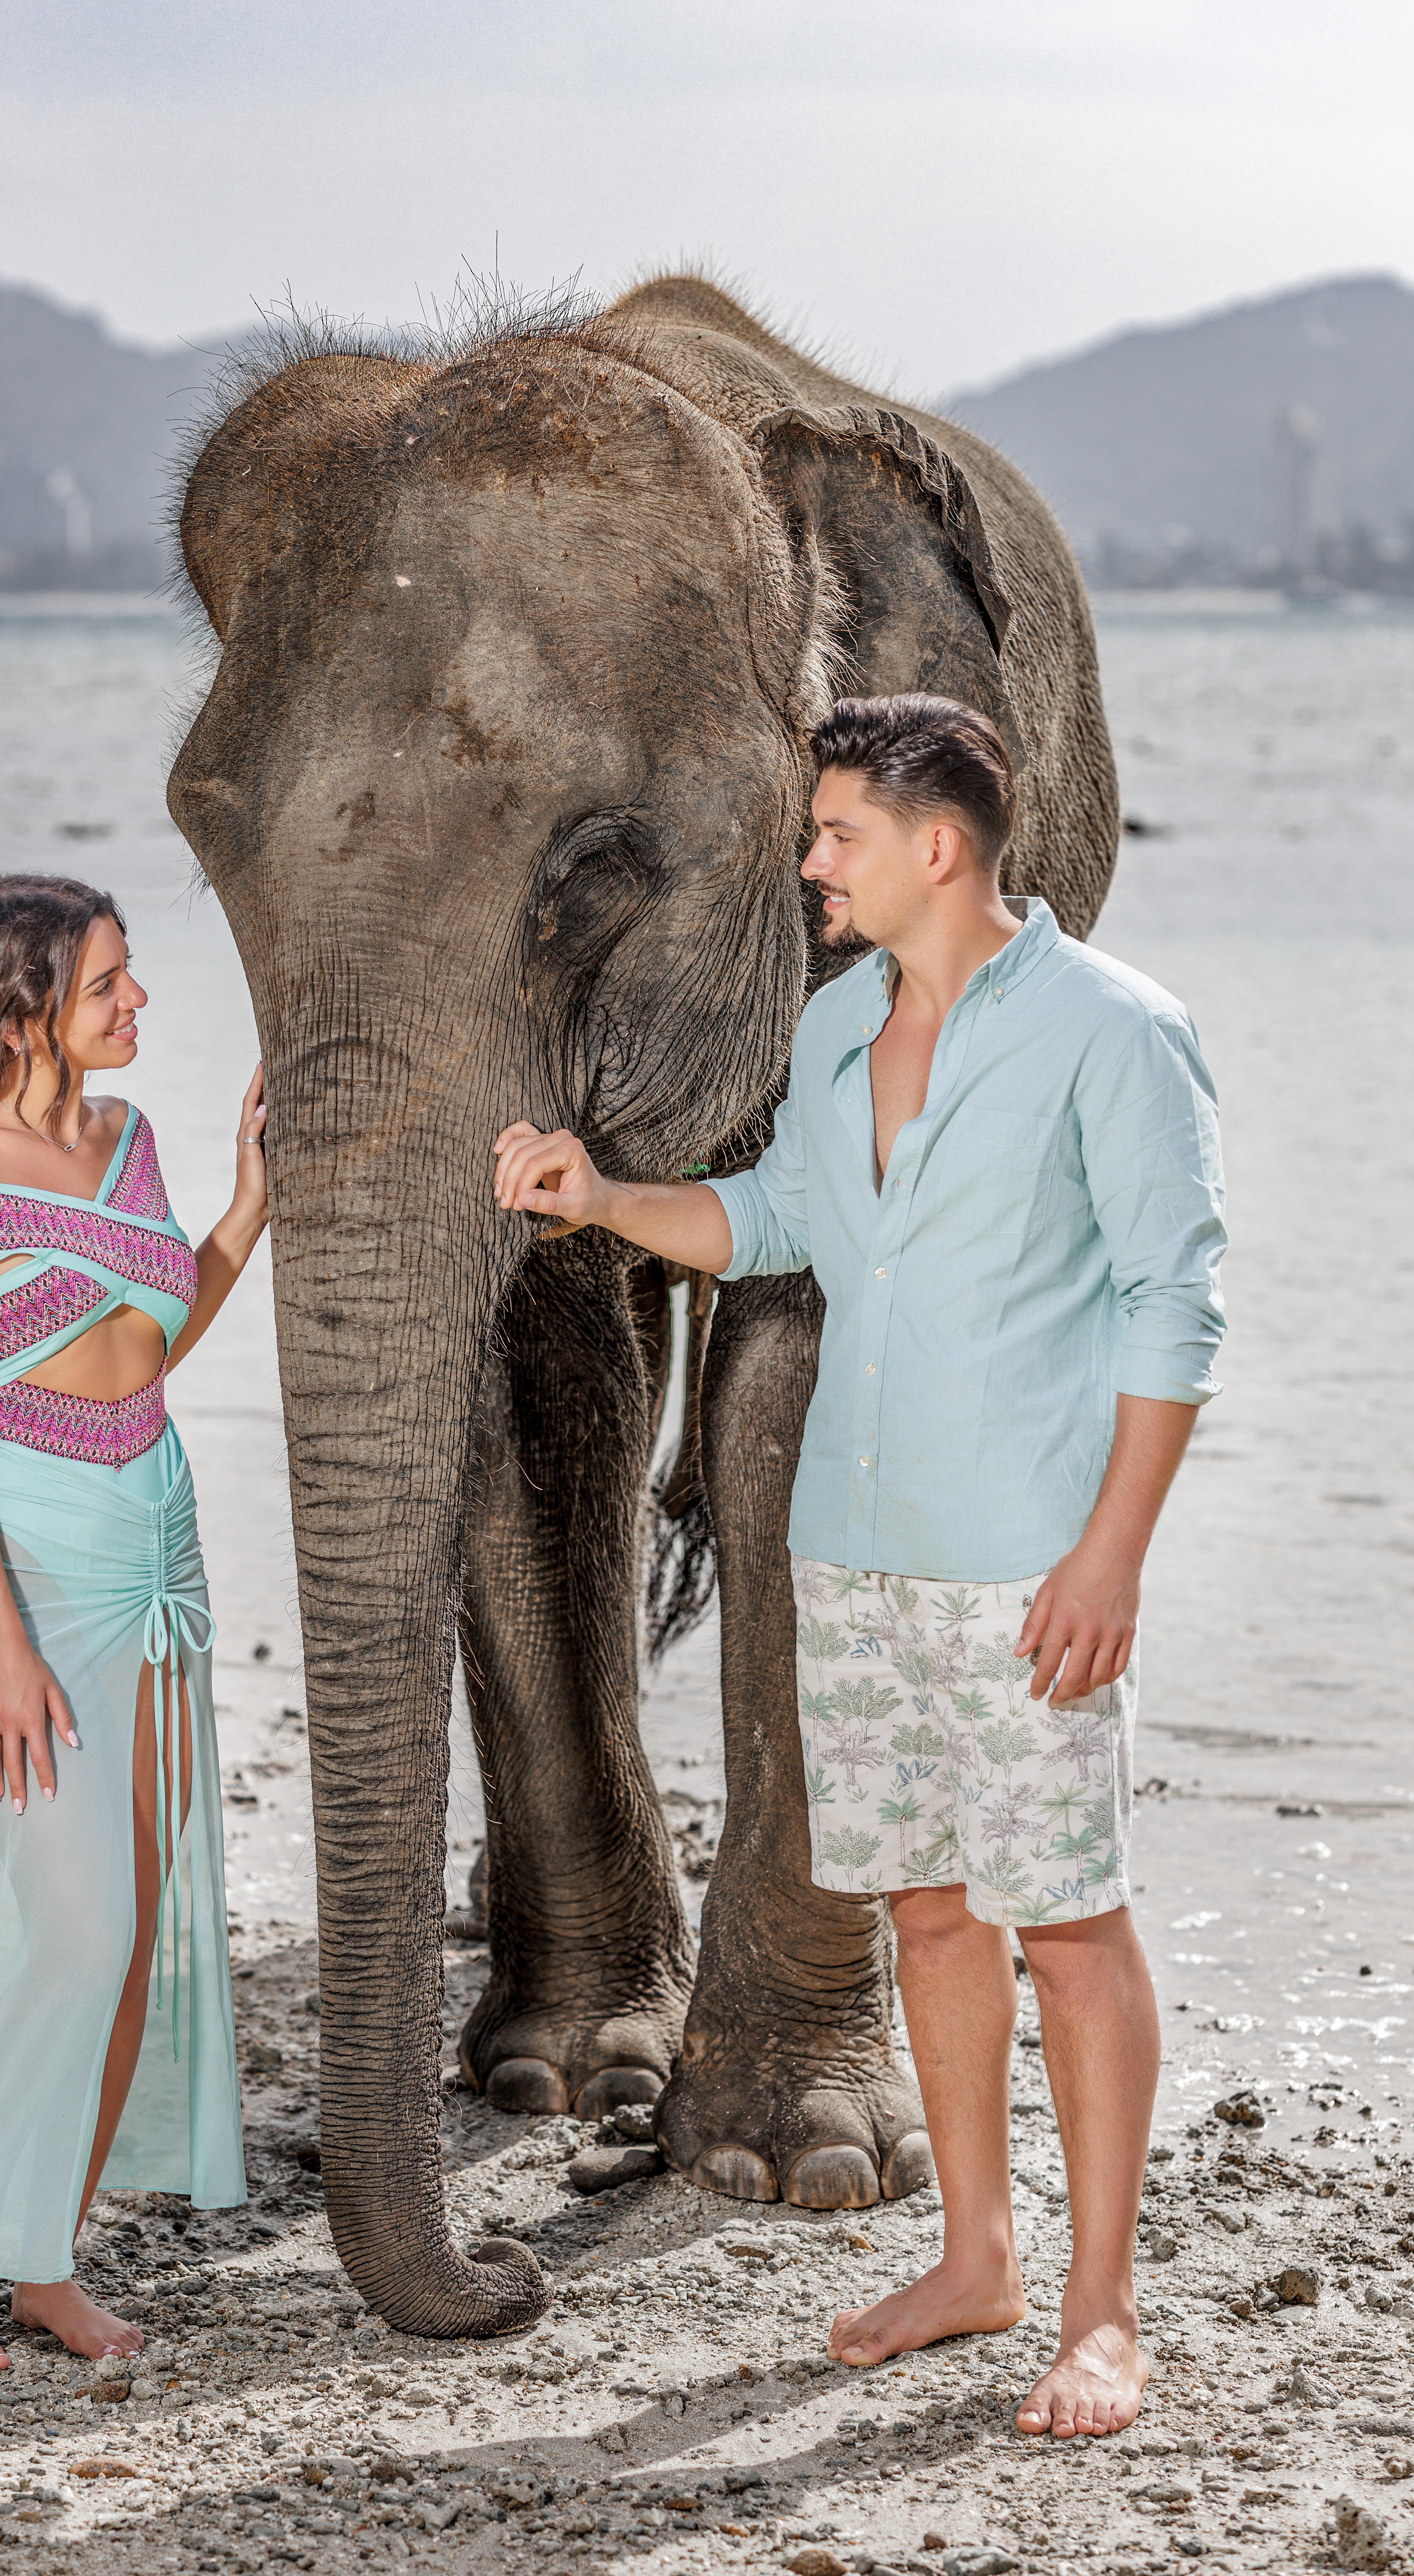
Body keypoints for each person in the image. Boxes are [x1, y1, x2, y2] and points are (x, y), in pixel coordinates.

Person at [492, 694, 1226, 2439]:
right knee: (923, 1913)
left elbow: (1174, 1301)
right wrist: (600, 1197)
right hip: (855, 1553)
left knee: (1066, 1930)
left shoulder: (1114, 1035)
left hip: (1023, 1566)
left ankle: (1102, 2313)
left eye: (834, 834)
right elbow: (773, 1227)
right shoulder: (831, 1038)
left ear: (940, 847)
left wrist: (1112, 1552)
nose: (808, 861)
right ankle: (976, 2260)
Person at [0, 872, 269, 2372]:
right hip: (29, 1574)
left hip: (157, 1552)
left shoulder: (130, 1141)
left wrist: (244, 1209)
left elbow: (150, 1342)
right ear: (23, 999)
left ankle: (46, 2255)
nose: (138, 1005)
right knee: (73, 1930)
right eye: (110, 985)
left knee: (136, 1928)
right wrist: (7, 1641)